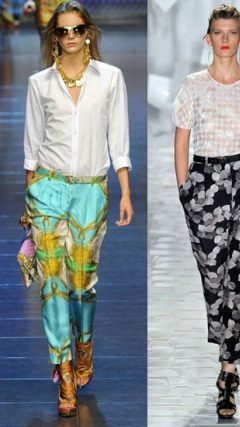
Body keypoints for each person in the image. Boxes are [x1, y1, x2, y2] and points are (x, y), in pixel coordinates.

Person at [23, 0, 133, 417]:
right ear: (54, 37)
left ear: (89, 33)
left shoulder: (110, 78)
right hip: (48, 190)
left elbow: (118, 140)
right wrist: (29, 202)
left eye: (77, 29)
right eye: (63, 30)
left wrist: (124, 192)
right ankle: (64, 370)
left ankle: (83, 342)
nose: (70, 36)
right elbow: (31, 147)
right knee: (52, 283)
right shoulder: (39, 83)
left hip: (91, 190)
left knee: (82, 284)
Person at [173, 4, 240, 420]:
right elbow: (181, 141)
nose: (226, 39)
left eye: (232, 32)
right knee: (213, 278)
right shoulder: (193, 85)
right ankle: (224, 339)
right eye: (219, 32)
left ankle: (228, 371)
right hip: (204, 183)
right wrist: (184, 190)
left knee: (238, 277)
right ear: (208, 37)